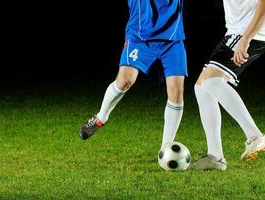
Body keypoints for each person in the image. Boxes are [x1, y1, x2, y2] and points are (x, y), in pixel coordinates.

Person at [79, 0, 187, 150]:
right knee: (124, 81)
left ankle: (166, 147)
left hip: (172, 38)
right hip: (139, 36)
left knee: (176, 91)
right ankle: (101, 117)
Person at [191, 0, 265, 170]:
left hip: (248, 34)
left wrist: (245, 40)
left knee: (212, 82)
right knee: (201, 87)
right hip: (235, 33)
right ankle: (215, 157)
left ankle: (255, 136)